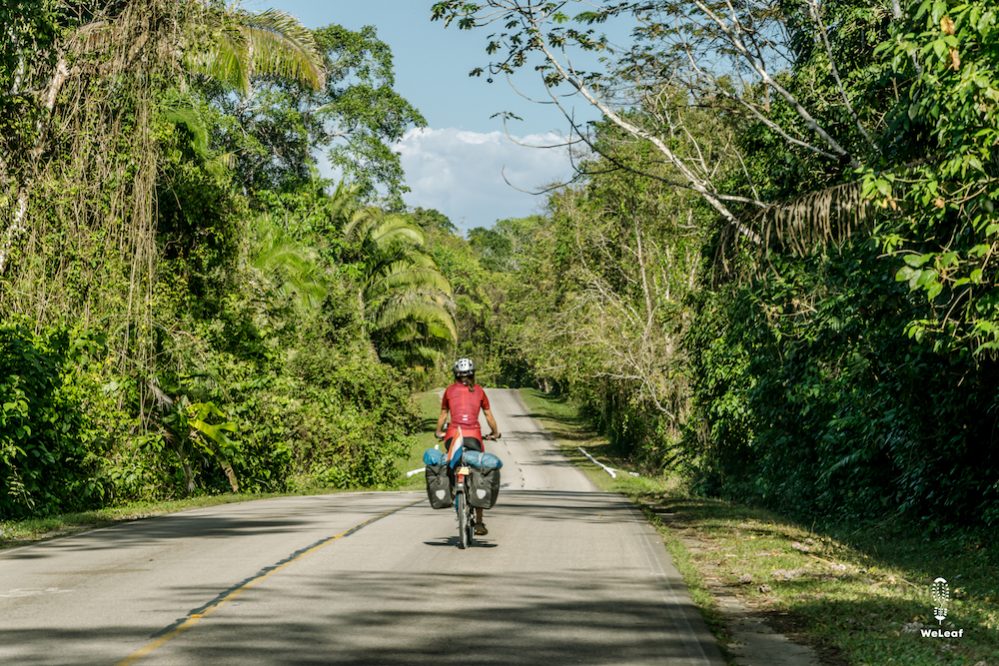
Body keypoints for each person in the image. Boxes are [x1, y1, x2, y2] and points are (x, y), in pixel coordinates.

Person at [435, 357, 500, 536]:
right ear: (473, 374)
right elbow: (489, 416)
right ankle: (479, 521)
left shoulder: (449, 391)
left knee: (451, 466)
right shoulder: (479, 391)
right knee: (479, 472)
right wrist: (495, 433)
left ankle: (454, 492)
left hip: (453, 437)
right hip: (474, 438)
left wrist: (438, 431)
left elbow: (443, 416)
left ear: (455, 375)